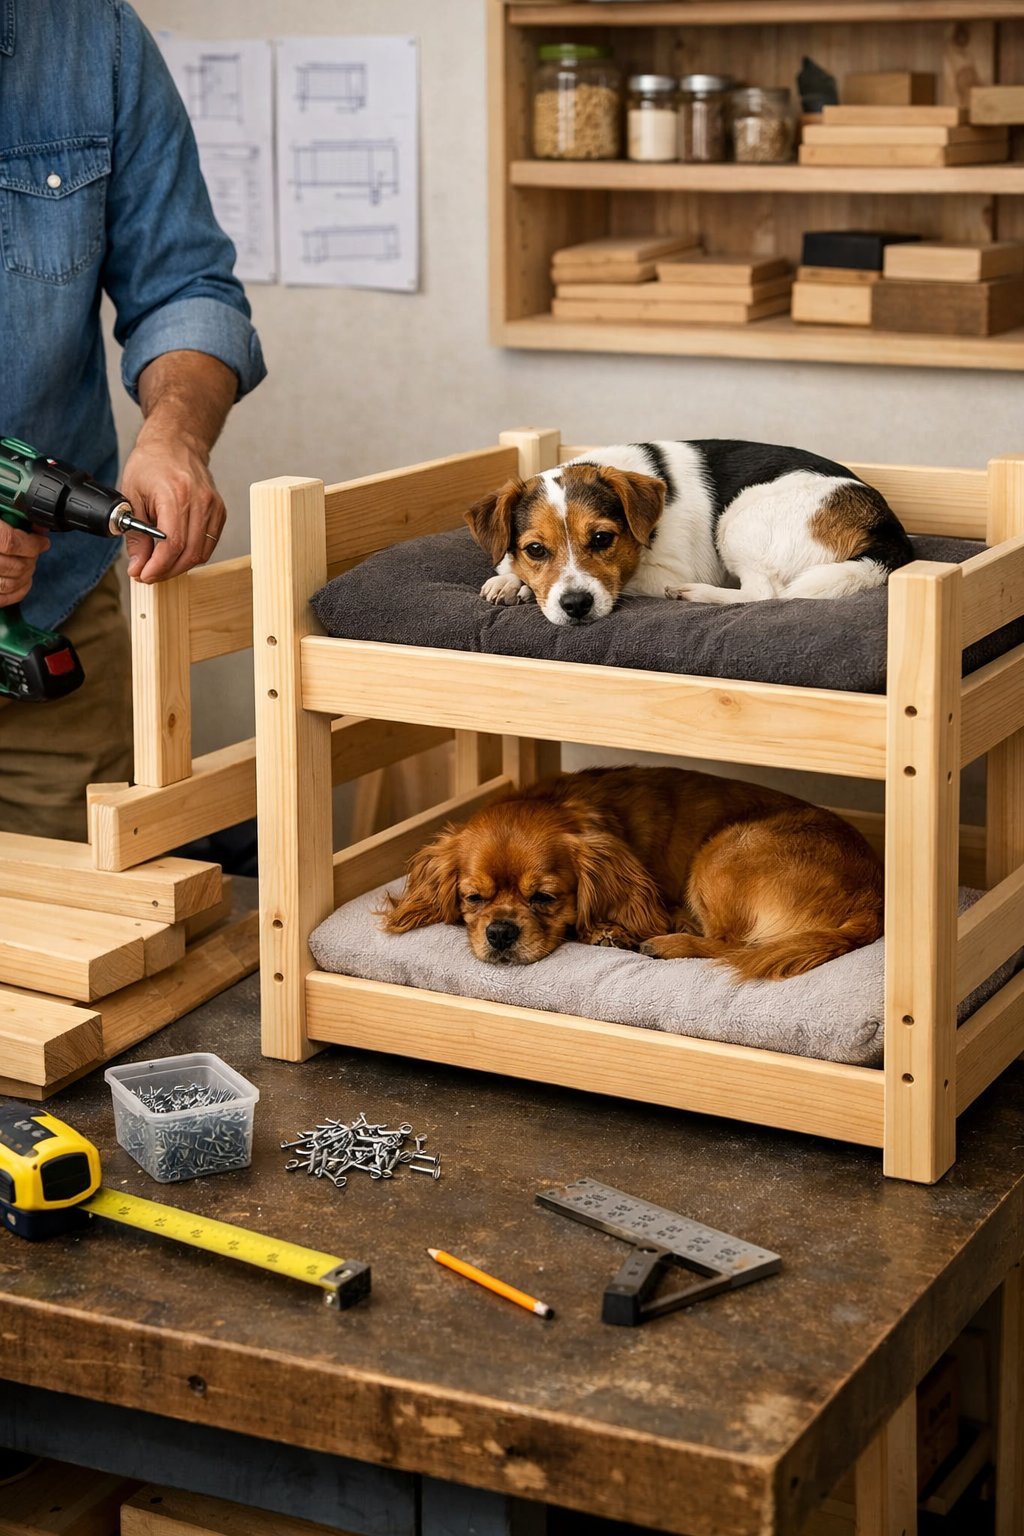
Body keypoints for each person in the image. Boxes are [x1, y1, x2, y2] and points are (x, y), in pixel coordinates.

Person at [0, 0, 266, 840]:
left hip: (48, 612)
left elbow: (186, 287)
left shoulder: (91, 38)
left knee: (66, 944)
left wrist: (176, 434)